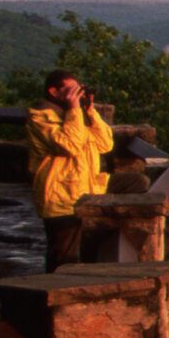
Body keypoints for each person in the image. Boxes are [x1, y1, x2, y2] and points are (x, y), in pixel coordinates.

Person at [28, 68, 116, 270]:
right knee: (62, 257)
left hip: (84, 188)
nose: (76, 95)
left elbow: (105, 144)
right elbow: (69, 145)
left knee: (137, 182)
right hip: (60, 195)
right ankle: (52, 297)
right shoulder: (40, 116)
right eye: (71, 90)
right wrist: (75, 109)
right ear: (53, 92)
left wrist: (90, 111)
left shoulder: (74, 115)